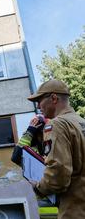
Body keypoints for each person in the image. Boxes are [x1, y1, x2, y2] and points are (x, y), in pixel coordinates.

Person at [27, 79, 85, 219]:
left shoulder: (57, 125)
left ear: (53, 98)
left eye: (39, 100)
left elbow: (59, 174)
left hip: (74, 211)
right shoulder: (80, 122)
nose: (38, 106)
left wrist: (38, 187)